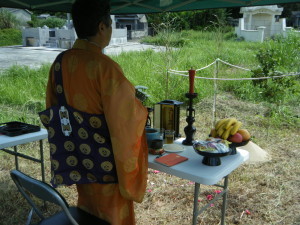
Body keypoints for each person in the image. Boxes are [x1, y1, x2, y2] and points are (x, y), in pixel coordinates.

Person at [44, 0, 149, 224]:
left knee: (88, 214)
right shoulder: (105, 67)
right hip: (106, 167)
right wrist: (141, 110)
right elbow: (124, 124)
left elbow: (52, 111)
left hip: (80, 160)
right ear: (102, 27)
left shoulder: (60, 63)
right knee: (111, 218)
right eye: (110, 25)